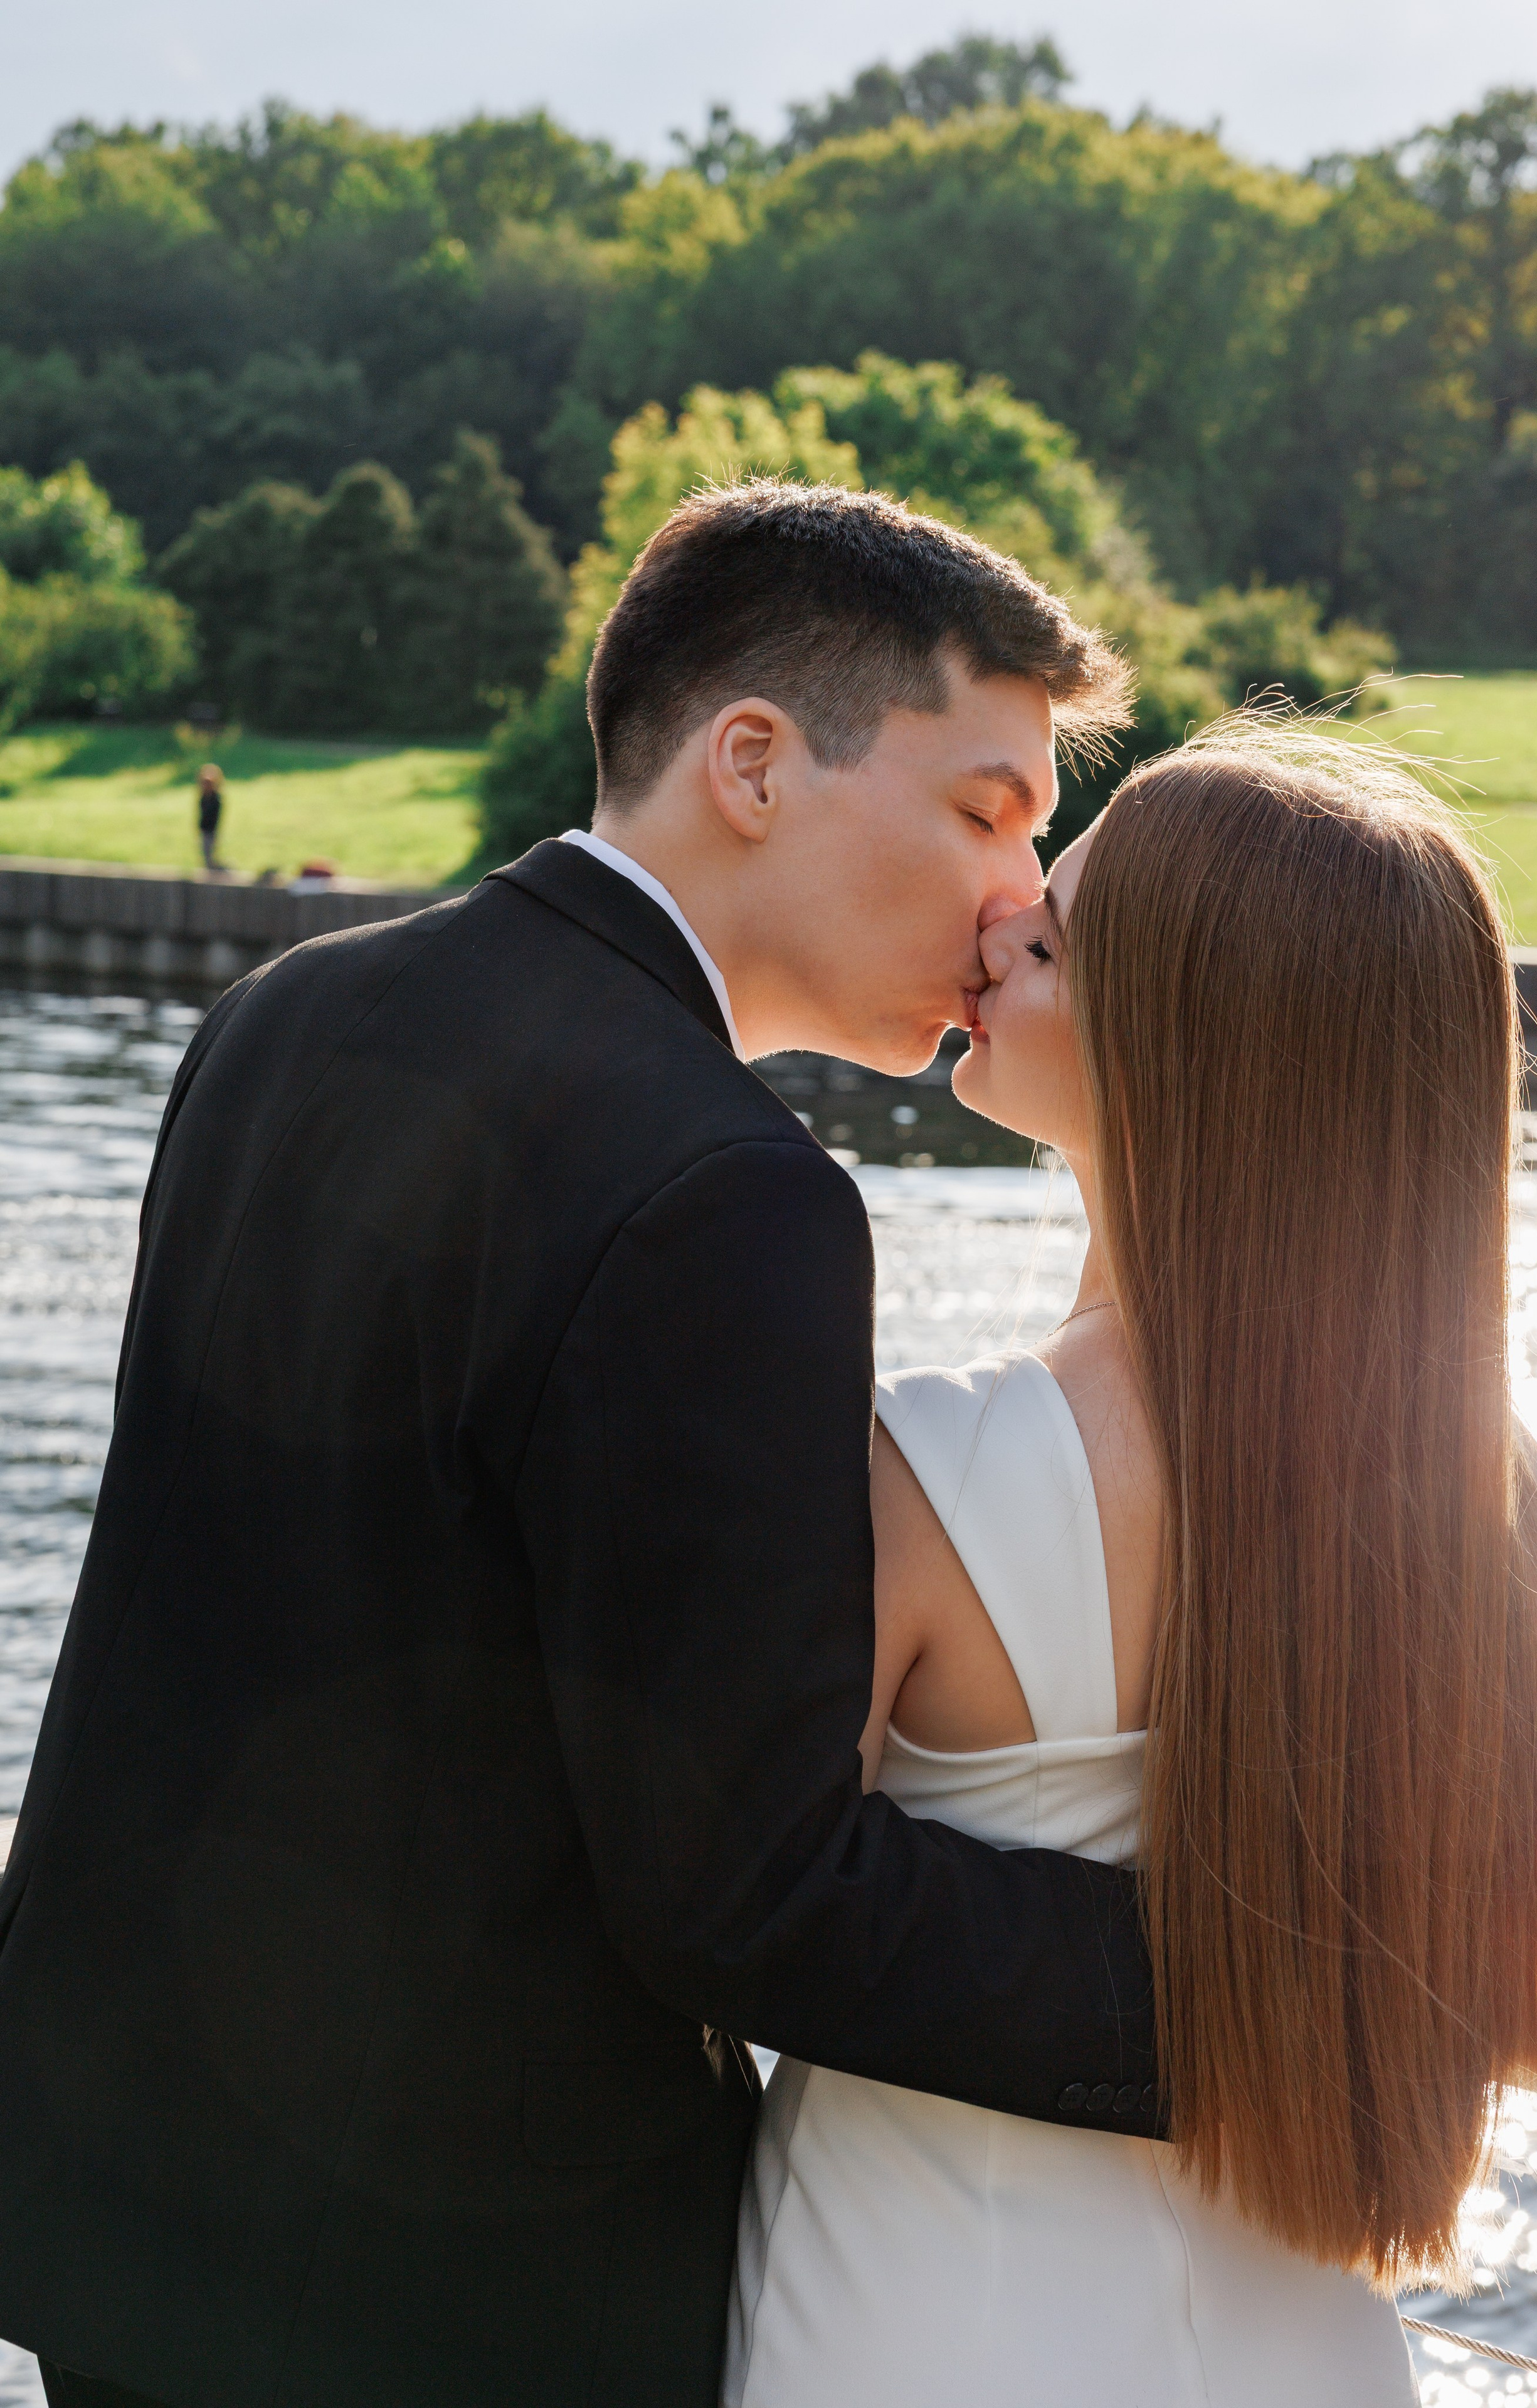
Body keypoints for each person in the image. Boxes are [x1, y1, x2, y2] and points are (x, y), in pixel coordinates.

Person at [0, 482, 1160, 2408]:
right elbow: (749, 1891)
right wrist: (1281, 2000)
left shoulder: (280, 1015)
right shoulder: (729, 1194)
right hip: (464, 2298)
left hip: (125, 2212)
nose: (1010, 899)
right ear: (753, 762)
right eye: (979, 809)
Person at [726, 723, 1537, 2406]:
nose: (993, 929)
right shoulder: (1485, 1487)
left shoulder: (929, 1463)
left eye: (1049, 937)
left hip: (928, 2323)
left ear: (1188, 1049)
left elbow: (725, 1903)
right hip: (1301, 2339)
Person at [196, 763, 224, 871]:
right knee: (205, 852)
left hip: (211, 830)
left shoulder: (215, 799)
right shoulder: (204, 797)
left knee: (210, 852)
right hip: (205, 830)